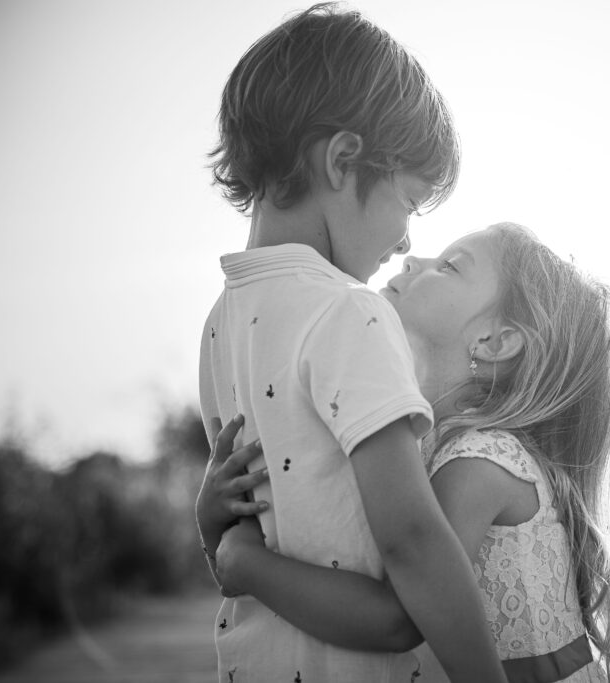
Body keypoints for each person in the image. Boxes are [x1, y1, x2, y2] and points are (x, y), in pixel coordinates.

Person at [194, 4, 506, 682]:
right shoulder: (348, 313)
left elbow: (238, 548)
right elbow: (413, 542)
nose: (405, 240)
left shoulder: (220, 322)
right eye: (409, 203)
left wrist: (210, 526)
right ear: (342, 161)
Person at [202, 223, 610, 682]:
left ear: (495, 341)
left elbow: (395, 615)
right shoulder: (419, 444)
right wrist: (213, 523)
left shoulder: (479, 462)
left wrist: (245, 563)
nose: (411, 259)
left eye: (448, 266)